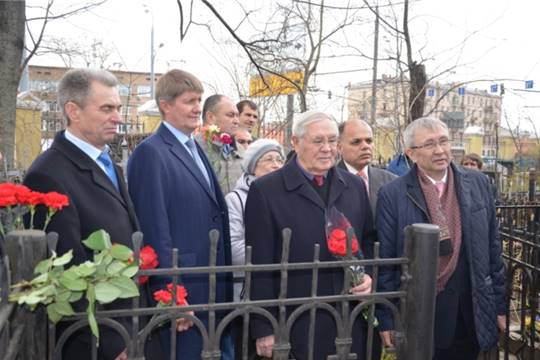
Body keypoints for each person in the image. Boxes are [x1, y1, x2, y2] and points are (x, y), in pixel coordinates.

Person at [23, 68, 161, 360]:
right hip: (100, 340)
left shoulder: (107, 161)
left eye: (119, 108)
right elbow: (65, 271)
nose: (118, 117)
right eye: (106, 108)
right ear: (73, 111)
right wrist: (109, 342)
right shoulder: (48, 174)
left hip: (133, 323)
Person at [245, 110, 377, 360]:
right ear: (295, 142)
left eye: (332, 141)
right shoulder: (266, 190)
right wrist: (264, 328)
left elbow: (368, 241)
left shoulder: (355, 186)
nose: (327, 148)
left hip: (350, 318)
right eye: (318, 141)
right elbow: (259, 265)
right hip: (297, 319)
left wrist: (369, 275)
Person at [376, 117, 506, 359]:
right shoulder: (393, 194)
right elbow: (386, 260)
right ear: (411, 154)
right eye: (429, 144)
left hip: (471, 310)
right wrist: (386, 317)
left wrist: (499, 306)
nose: (440, 150)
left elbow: (493, 249)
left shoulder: (478, 183)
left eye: (444, 141)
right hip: (422, 311)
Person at [127, 69, 234, 360]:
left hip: (211, 286)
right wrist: (171, 294)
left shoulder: (194, 148)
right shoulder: (152, 153)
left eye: (199, 100)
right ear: (166, 105)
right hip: (184, 293)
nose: (197, 108)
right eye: (189, 101)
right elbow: (153, 227)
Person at [225, 139, 284, 359]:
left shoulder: (284, 198)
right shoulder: (236, 199)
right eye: (268, 159)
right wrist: (274, 256)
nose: (276, 164)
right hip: (247, 295)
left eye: (279, 159)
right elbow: (234, 249)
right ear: (252, 167)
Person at [338, 119, 397, 217]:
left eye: (369, 141)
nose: (365, 146)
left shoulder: (391, 181)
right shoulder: (328, 181)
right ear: (339, 147)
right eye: (356, 142)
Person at [199, 94, 242, 193]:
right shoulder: (194, 148)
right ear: (210, 117)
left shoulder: (242, 150)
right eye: (230, 115)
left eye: (237, 116)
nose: (236, 121)